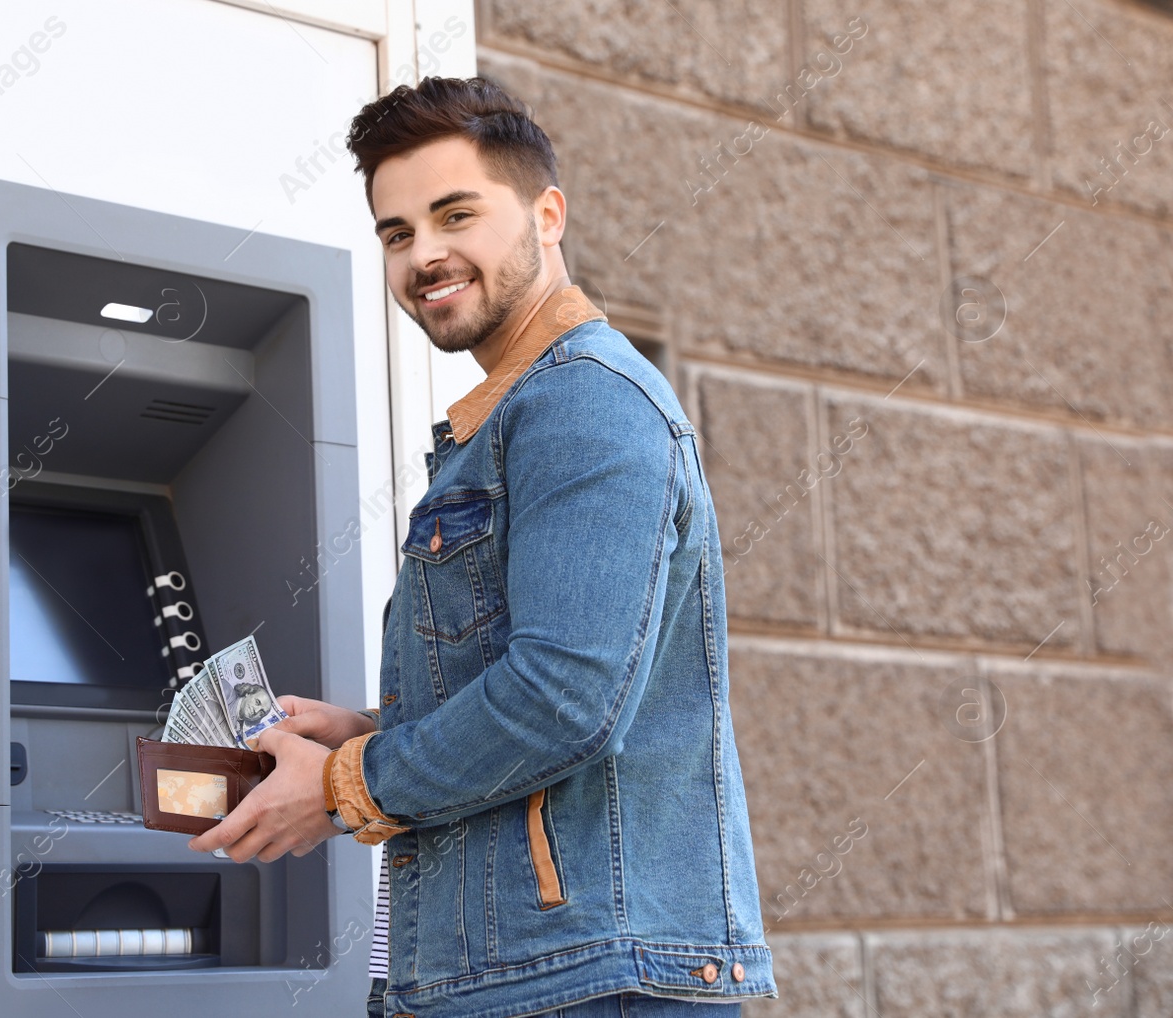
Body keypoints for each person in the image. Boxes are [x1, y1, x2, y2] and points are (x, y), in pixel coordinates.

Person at [188, 75, 777, 1017]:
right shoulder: (511, 415)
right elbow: (546, 677)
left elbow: (565, 696)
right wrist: (378, 731)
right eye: (396, 232)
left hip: (581, 981)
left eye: (455, 213)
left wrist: (341, 784)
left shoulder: (584, 404)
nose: (425, 254)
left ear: (547, 215)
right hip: (523, 971)